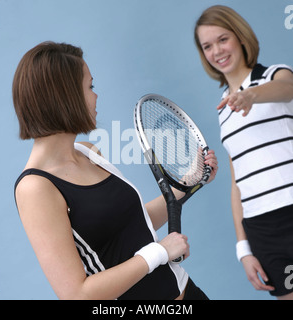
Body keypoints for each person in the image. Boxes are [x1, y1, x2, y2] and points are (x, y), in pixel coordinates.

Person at [13, 41, 218, 300]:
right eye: (90, 87)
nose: (96, 95)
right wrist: (159, 253)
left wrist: (188, 182)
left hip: (187, 292)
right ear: (64, 96)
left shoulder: (88, 151)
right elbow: (76, 294)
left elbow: (133, 223)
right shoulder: (35, 188)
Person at [194, 5, 293, 300]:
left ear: (240, 37)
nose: (217, 51)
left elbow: (287, 90)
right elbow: (238, 184)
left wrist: (251, 95)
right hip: (262, 228)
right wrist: (243, 249)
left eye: (223, 39)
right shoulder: (224, 110)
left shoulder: (276, 74)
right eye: (207, 46)